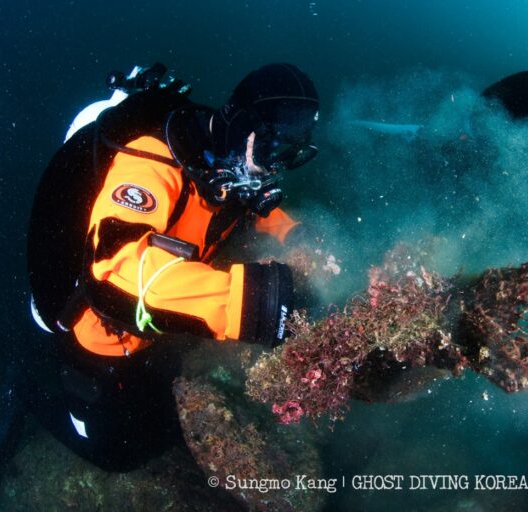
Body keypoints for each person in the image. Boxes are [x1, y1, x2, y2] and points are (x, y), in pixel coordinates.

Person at [24, 62, 319, 471]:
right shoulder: (150, 162)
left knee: (165, 423)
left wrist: (298, 234)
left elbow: (249, 205)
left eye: (291, 154)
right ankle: (27, 392)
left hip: (155, 328)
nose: (276, 167)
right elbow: (117, 271)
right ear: (244, 127)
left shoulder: (228, 161)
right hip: (98, 339)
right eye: (273, 150)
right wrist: (261, 304)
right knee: (116, 454)